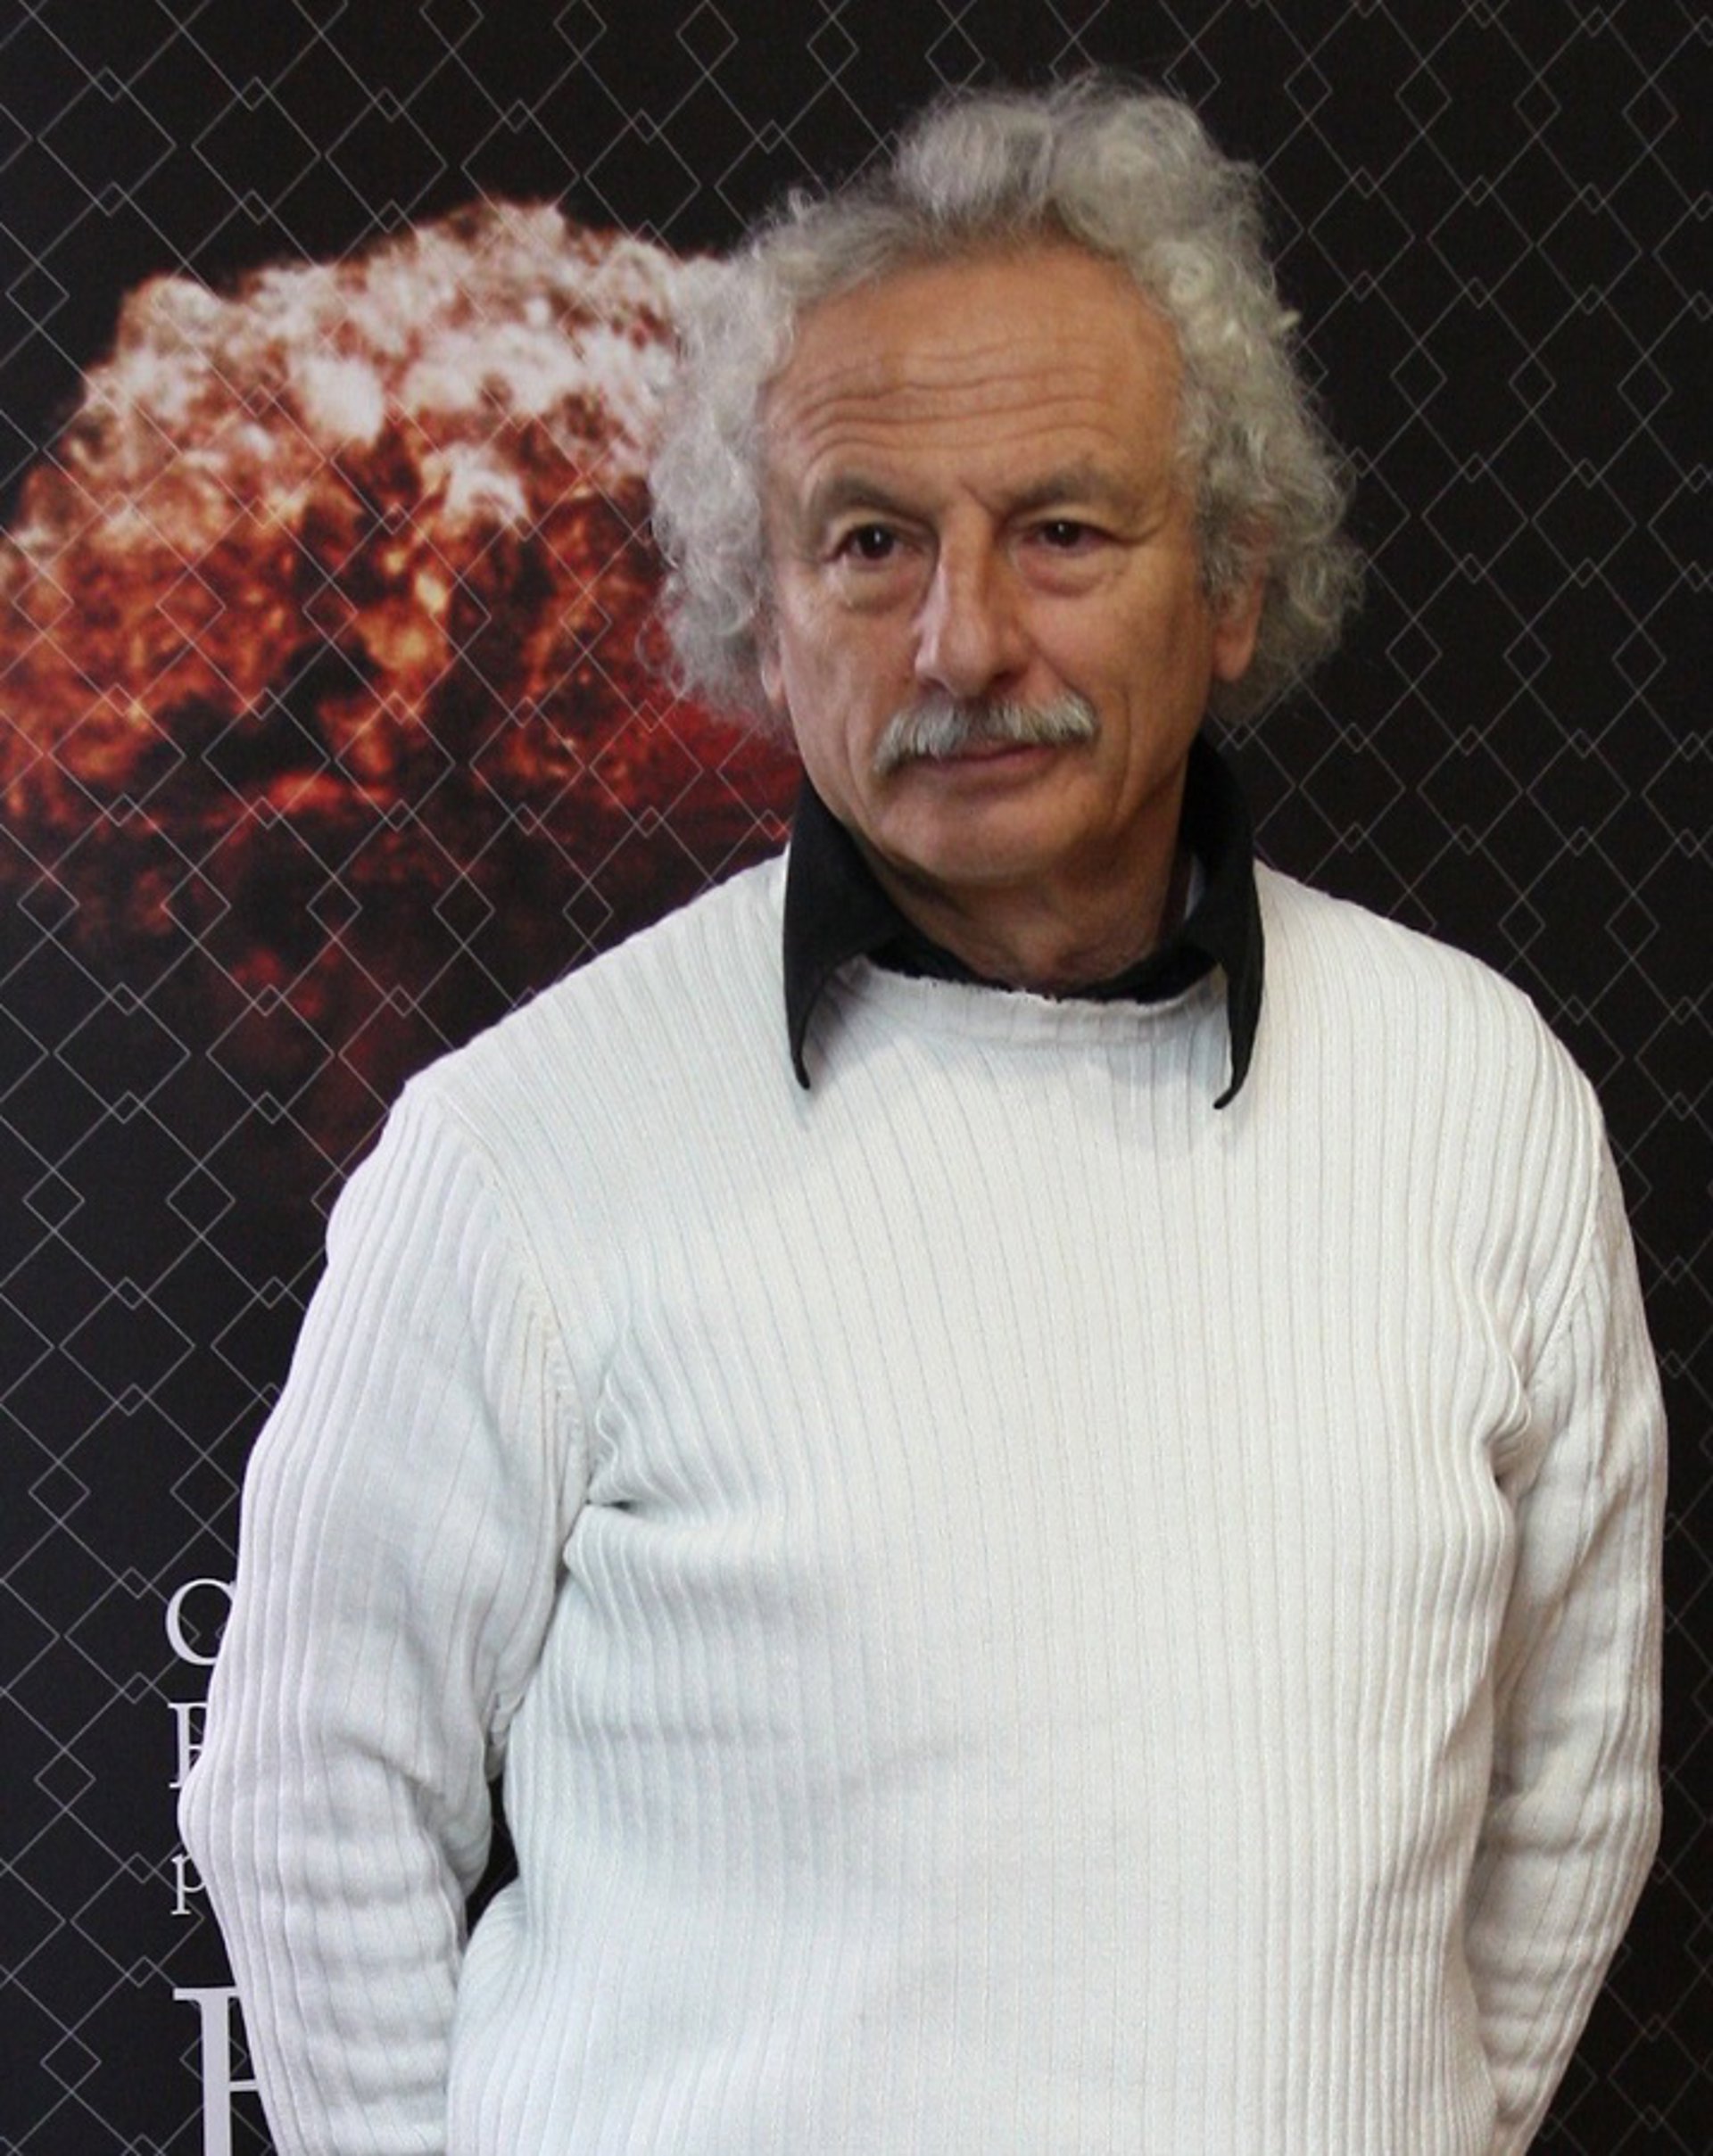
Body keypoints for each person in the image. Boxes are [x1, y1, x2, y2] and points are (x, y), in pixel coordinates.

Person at [181, 76, 1665, 2155]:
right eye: (871, 544)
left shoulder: (1481, 1102)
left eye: (1062, 531)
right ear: (762, 611)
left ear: (1232, 582)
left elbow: (1572, 1782)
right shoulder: (519, 1150)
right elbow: (308, 1796)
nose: (964, 642)